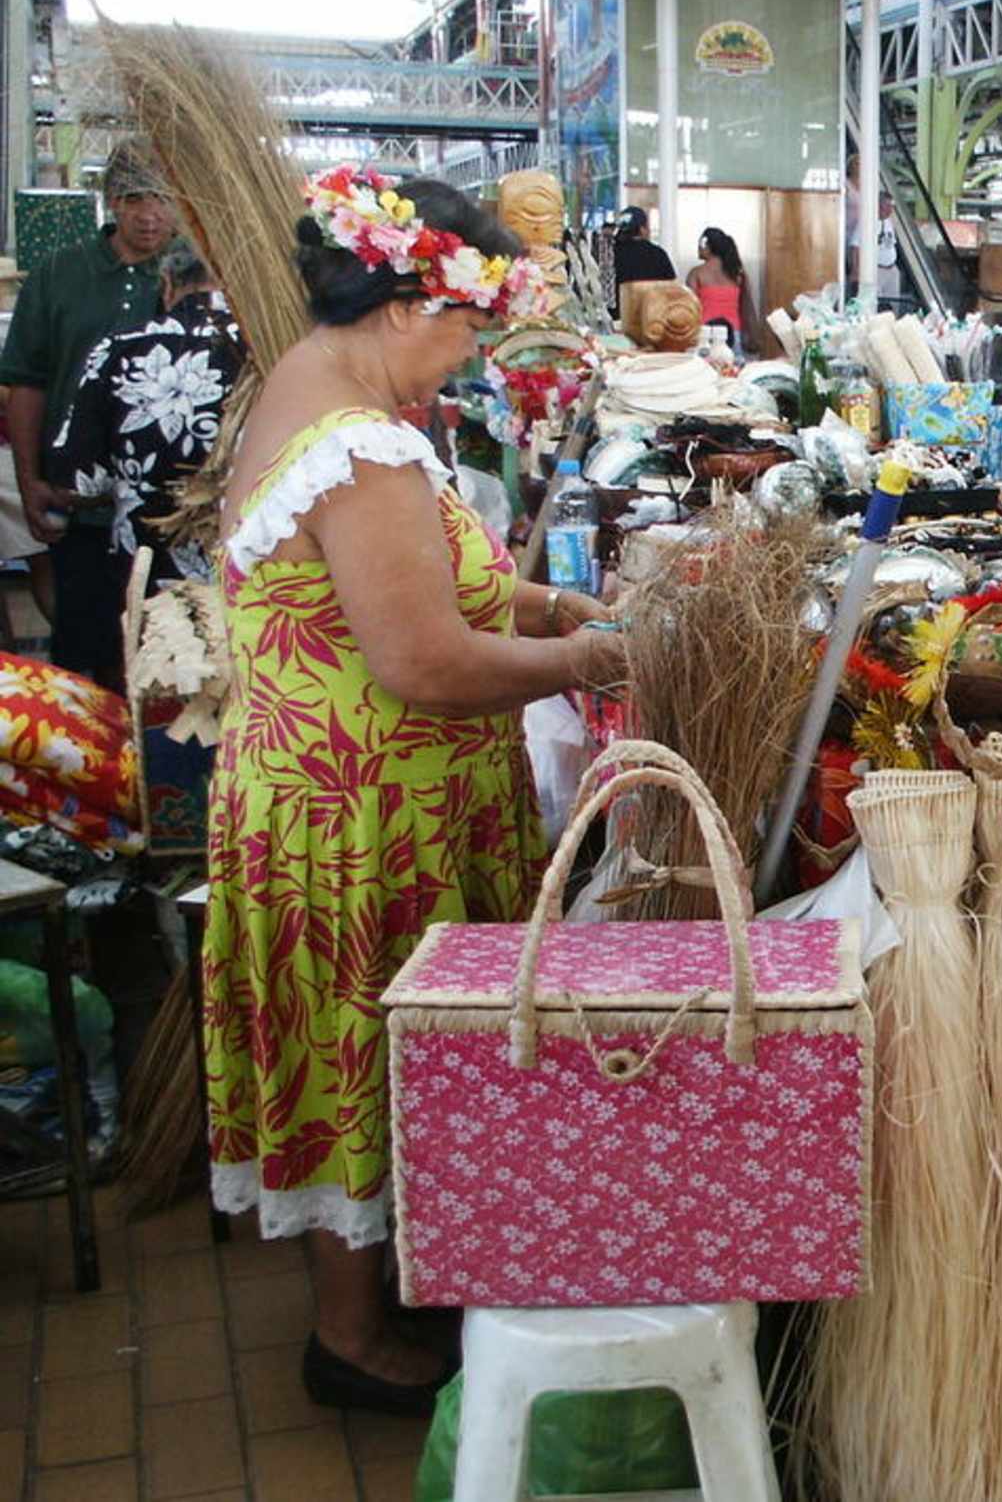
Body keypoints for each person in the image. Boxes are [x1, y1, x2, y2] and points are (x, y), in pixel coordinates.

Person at [201, 168, 625, 1415]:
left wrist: (550, 605)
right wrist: (592, 661)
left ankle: (400, 1278)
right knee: (360, 1055)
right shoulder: (362, 450)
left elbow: (407, 587)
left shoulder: (305, 386)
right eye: (466, 330)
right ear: (402, 308)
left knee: (370, 1055)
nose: (469, 358)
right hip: (366, 820)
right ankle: (349, 1339)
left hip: (322, 796)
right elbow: (426, 661)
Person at [0, 137, 175, 680]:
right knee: (82, 649)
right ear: (111, 200)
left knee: (171, 661)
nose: (149, 214)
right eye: (134, 199)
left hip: (171, 510)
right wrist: (30, 481)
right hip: (80, 505)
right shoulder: (60, 274)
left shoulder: (193, 275)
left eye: (162, 199)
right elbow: (27, 383)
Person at [47, 237, 243, 589]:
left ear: (167, 283)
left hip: (146, 569)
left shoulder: (119, 347)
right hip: (243, 568)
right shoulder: (264, 349)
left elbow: (78, 481)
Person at [685, 227, 759, 353]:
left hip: (705, 332)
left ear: (708, 247)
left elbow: (690, 308)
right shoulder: (737, 274)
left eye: (700, 245)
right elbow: (746, 307)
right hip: (734, 332)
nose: (698, 248)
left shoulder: (696, 273)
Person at [610, 206, 676, 312]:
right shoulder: (658, 254)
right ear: (642, 229)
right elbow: (671, 288)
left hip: (618, 315)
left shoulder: (611, 254)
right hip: (652, 315)